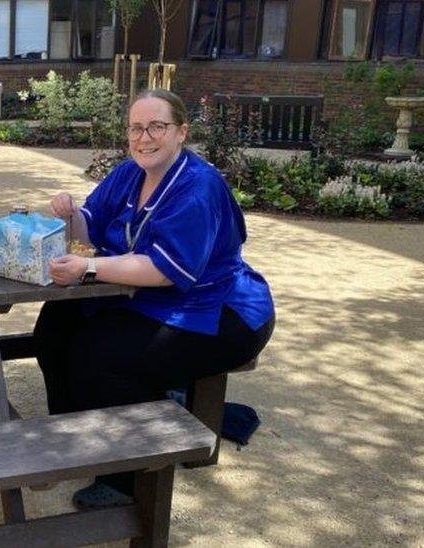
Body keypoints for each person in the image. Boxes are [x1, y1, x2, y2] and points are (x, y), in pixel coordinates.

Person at [35, 89, 275, 510]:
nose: (144, 137)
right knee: (56, 323)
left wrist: (89, 268)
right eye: (136, 128)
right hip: (153, 299)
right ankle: (76, 430)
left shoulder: (199, 186)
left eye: (157, 127)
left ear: (181, 132)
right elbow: (89, 227)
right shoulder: (131, 172)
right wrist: (70, 213)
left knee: (102, 354)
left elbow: (165, 271)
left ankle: (125, 481)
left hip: (222, 312)